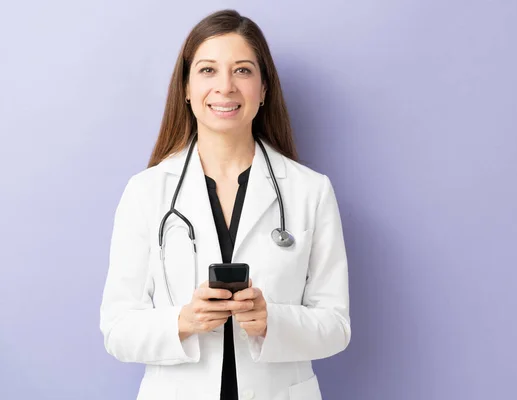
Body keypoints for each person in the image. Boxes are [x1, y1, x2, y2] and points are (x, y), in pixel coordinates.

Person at [99, 9, 350, 400]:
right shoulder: (146, 192)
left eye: (243, 70)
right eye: (208, 70)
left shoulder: (310, 191)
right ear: (185, 87)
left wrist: (272, 322)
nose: (226, 87)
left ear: (264, 88)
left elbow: (336, 326)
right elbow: (117, 331)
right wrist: (183, 321)